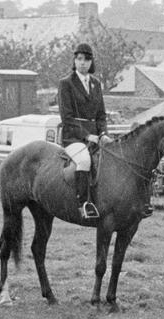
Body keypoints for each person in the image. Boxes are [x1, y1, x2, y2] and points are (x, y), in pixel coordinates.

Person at [58, 42, 108, 220]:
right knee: (85, 161)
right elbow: (67, 117)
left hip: (96, 136)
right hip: (73, 137)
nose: (83, 63)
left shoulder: (96, 83)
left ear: (91, 62)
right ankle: (83, 203)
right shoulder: (66, 84)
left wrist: (103, 134)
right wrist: (87, 135)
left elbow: (101, 114)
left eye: (87, 59)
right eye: (79, 59)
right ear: (75, 60)